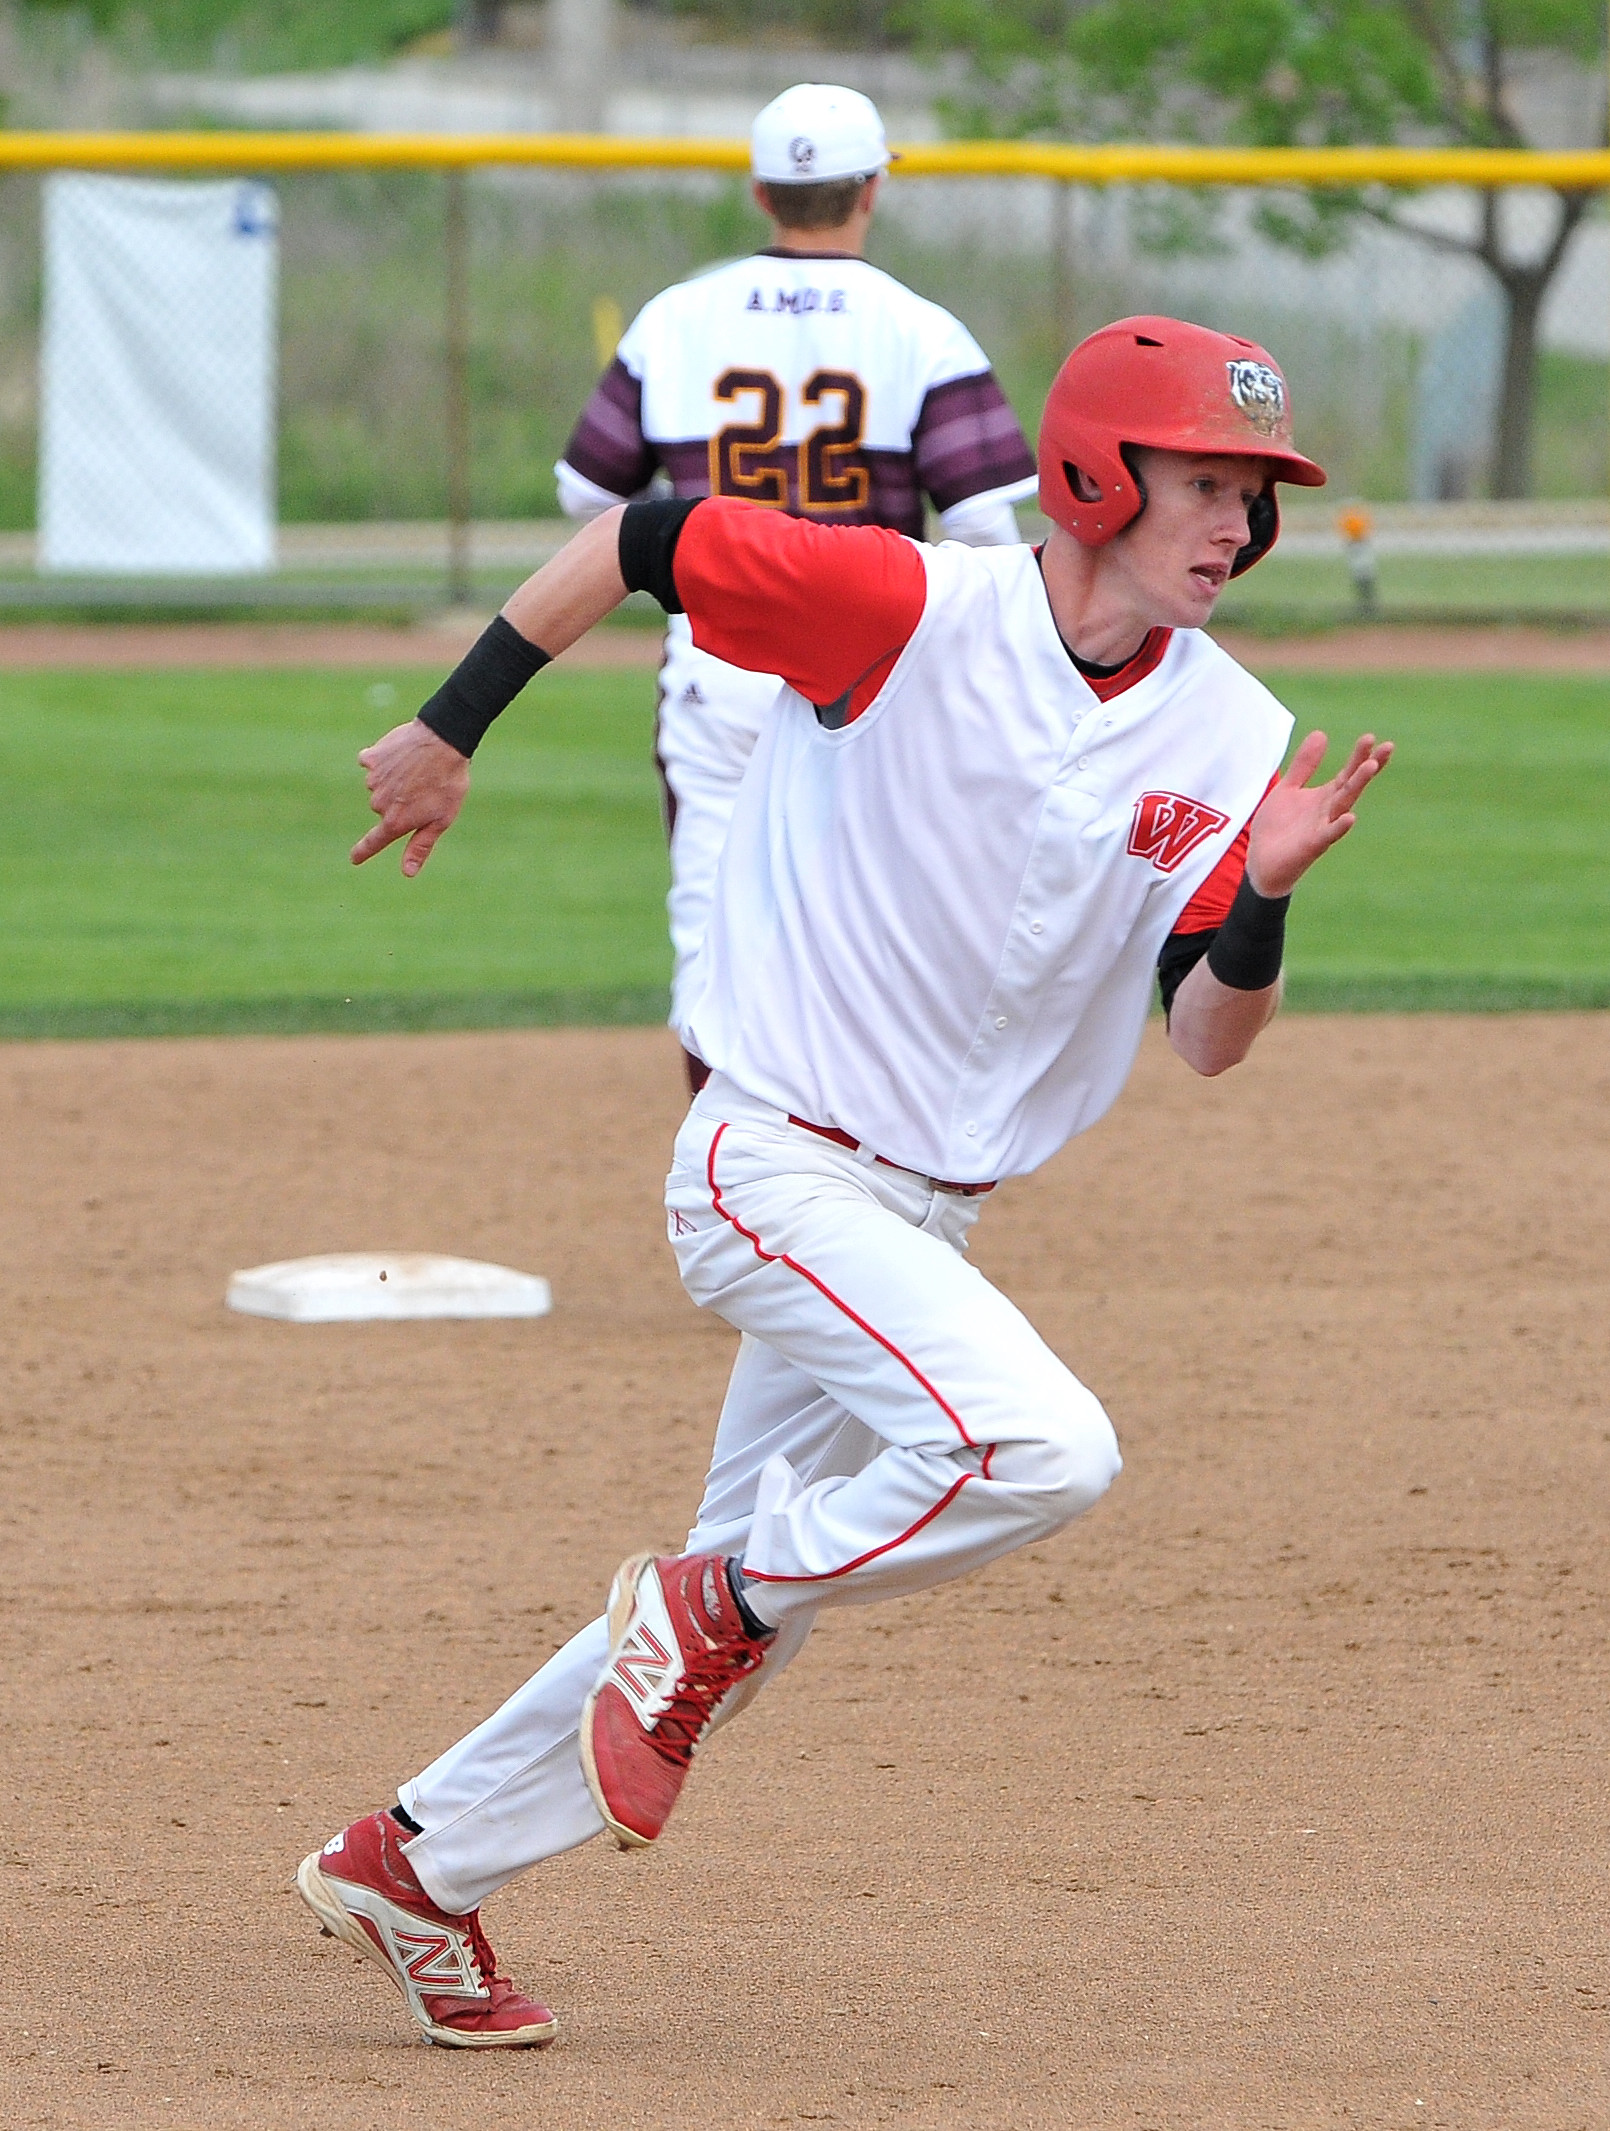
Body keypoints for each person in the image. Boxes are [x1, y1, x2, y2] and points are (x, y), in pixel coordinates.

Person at [296, 316, 1392, 2050]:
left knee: (751, 1622)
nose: (1237, 530)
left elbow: (1208, 1040)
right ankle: (705, 1605)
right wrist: (450, 728)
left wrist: (1260, 899)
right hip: (773, 1168)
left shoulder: (1234, 733)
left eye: (1256, 498)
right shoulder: (902, 607)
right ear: (1098, 474)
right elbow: (642, 538)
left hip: (924, 1212)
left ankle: (416, 1860)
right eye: (1208, 484)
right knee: (1039, 1450)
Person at [555, 82, 1038, 1091]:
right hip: (871, 669)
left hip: (715, 660)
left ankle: (722, 1183)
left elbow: (585, 492)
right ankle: (855, 1182)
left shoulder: (675, 317)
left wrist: (696, 533)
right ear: (870, 189)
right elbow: (988, 531)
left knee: (711, 931)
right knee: (876, 929)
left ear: (760, 191)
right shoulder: (922, 331)